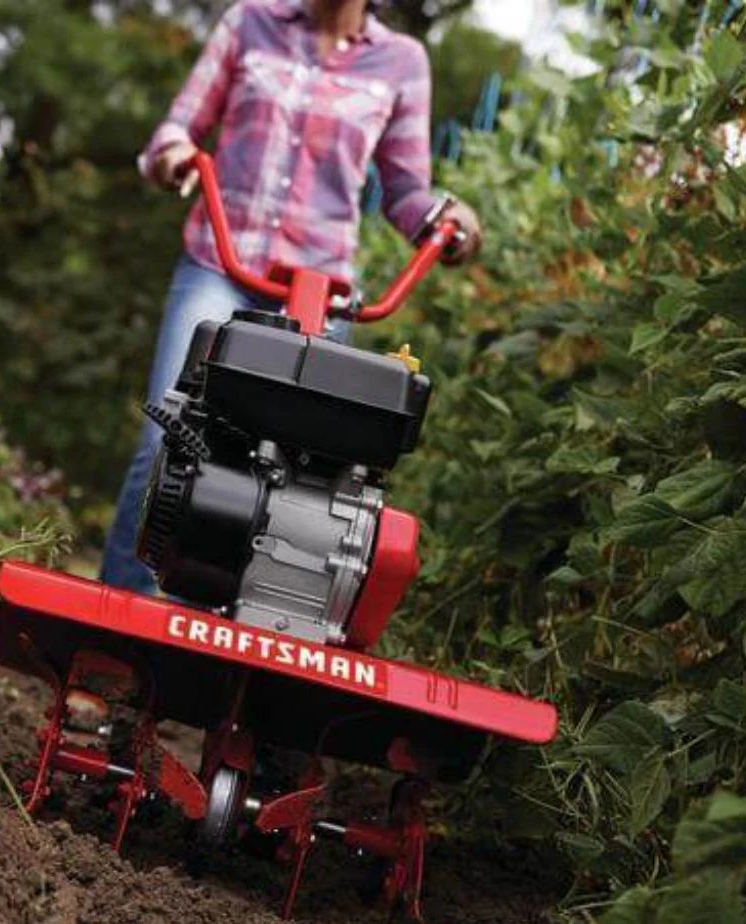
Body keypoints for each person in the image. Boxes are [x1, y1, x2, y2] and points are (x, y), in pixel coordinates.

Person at [101, 0, 482, 593]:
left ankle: (228, 626)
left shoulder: (401, 61)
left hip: (320, 293)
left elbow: (406, 193)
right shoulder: (250, 22)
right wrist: (174, 155)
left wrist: (447, 224)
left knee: (292, 476)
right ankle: (117, 614)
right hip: (221, 263)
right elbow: (178, 129)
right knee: (170, 436)